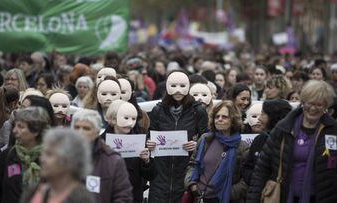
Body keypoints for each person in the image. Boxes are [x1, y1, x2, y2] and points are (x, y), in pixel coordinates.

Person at [247, 80, 337, 202]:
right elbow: (262, 167)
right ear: (302, 102)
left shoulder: (333, 130)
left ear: (326, 106)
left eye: (319, 105)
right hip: (284, 197)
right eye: (310, 103)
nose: (313, 108)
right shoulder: (284, 127)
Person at [146, 70, 208, 202]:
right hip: (161, 174)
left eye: (182, 86)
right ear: (167, 86)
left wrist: (197, 145)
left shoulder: (198, 111)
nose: (178, 90)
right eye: (174, 86)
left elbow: (207, 138)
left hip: (185, 172)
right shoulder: (158, 110)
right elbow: (149, 134)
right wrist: (149, 142)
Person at [185, 100, 249, 203]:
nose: (219, 119)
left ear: (233, 120)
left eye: (224, 117)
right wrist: (192, 185)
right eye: (217, 116)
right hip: (200, 197)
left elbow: (246, 181)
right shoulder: (205, 140)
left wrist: (227, 193)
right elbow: (193, 165)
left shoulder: (242, 147)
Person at [0, 106, 50, 203]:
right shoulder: (8, 154)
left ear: (36, 131)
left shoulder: (51, 158)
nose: (14, 131)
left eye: (21, 127)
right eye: (15, 126)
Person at [71, 109, 133, 202]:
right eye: (77, 127)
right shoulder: (59, 156)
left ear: (97, 132)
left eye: (86, 128)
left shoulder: (112, 160)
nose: (80, 132)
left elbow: (123, 196)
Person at [102, 101, 157, 202]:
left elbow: (151, 175)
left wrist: (147, 161)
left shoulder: (140, 141)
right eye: (126, 118)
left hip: (133, 197)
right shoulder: (100, 142)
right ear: (113, 119)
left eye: (133, 119)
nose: (130, 123)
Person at [21, 128, 94, 203]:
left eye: (49, 154)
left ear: (69, 160)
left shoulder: (80, 199)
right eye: (43, 153)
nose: (42, 159)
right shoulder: (33, 191)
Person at [241, 99, 292, 185]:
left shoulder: (290, 142)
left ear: (273, 117)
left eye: (263, 114)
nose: (259, 118)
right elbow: (247, 167)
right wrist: (255, 180)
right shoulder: (259, 140)